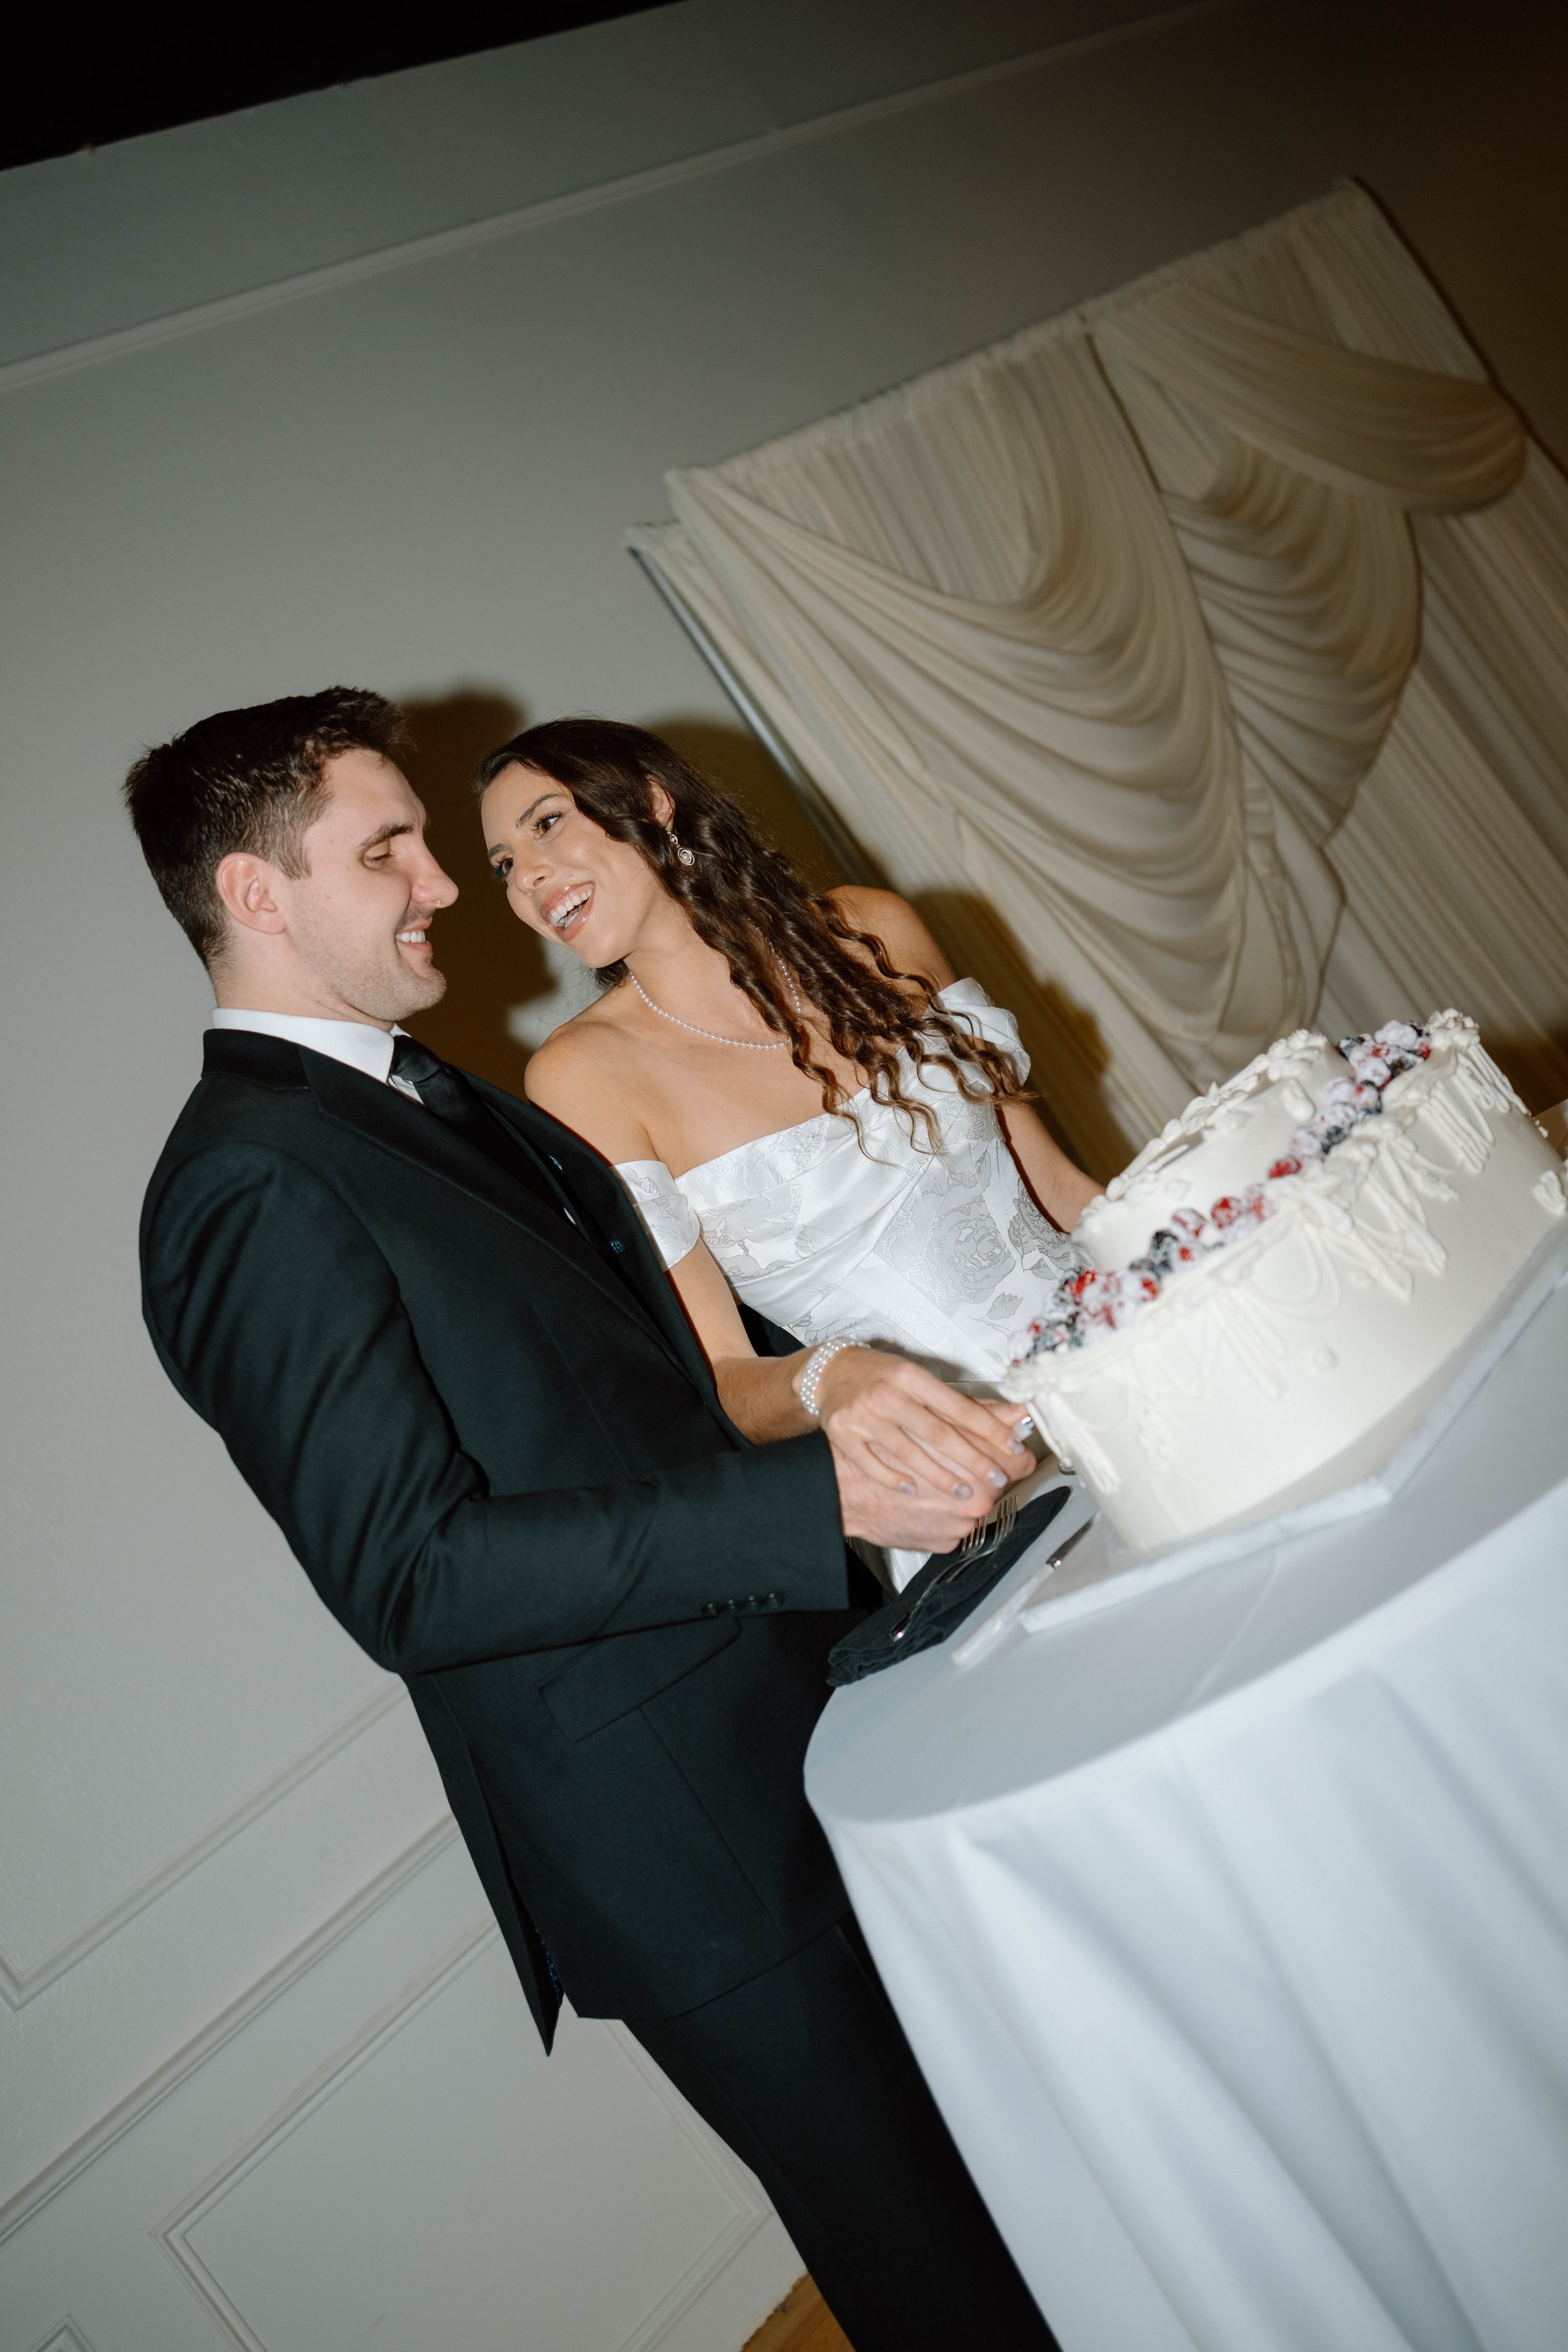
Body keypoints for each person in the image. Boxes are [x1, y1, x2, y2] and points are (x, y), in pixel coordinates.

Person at [127, 687, 1060, 2352]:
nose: (439, 886)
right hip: (684, 1839)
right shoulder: (247, 1179)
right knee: (945, 2272)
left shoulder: (432, 1097)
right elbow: (409, 1572)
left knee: (1037, 2167)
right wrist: (810, 1490)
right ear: (258, 895)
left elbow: (635, 1397)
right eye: (393, 846)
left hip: (812, 1711)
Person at [479, 718, 1100, 1584]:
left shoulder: (873, 929)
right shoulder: (582, 1076)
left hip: (1125, 1355)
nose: (528, 878)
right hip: (970, 1486)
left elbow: (1057, 1185)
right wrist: (829, 1378)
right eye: (504, 865)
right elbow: (730, 1379)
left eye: (546, 822)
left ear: (654, 804)